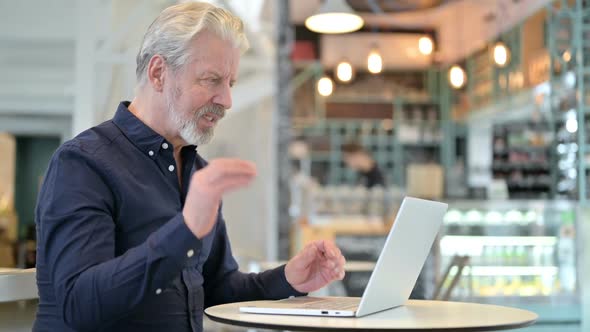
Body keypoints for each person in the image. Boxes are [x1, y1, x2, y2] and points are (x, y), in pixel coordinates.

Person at [33, 3, 346, 331]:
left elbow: (215, 288)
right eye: (211, 80)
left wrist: (288, 278)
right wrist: (185, 230)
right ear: (158, 73)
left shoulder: (196, 170)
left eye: (230, 83)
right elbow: (80, 305)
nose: (226, 100)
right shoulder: (82, 164)